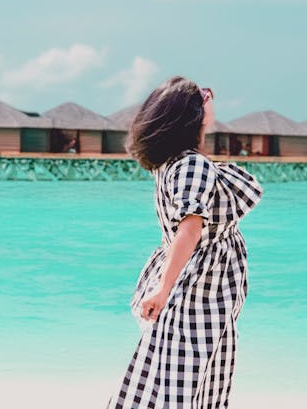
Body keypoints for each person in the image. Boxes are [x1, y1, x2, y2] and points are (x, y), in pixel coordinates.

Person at [106, 76, 264, 409]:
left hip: (198, 282)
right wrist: (164, 291)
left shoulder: (172, 163)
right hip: (198, 285)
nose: (211, 97)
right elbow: (189, 229)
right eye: (205, 95)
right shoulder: (191, 165)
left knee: (172, 372)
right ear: (190, 114)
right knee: (188, 377)